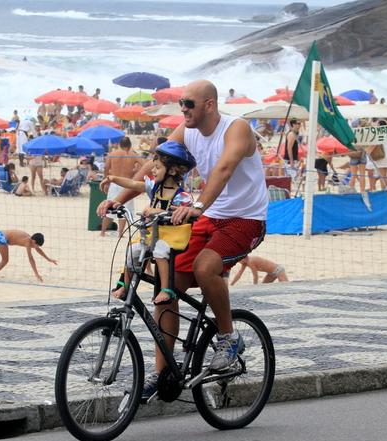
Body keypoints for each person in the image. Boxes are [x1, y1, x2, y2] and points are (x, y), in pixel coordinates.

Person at [98, 79, 268, 399]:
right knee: (167, 286)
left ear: (209, 105)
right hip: (208, 217)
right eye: (181, 104)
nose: (183, 109)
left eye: (189, 104)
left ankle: (229, 337)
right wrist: (119, 200)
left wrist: (199, 205)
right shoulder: (187, 131)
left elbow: (225, 168)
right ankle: (163, 375)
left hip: (245, 219)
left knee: (206, 268)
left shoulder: (237, 129)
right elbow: (155, 166)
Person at [108, 141, 196, 305]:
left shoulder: (182, 196)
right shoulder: (154, 188)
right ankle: (125, 286)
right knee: (132, 250)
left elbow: (181, 214)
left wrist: (157, 211)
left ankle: (165, 288)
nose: (152, 171)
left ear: (172, 170)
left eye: (157, 167)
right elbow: (134, 184)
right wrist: (113, 178)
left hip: (173, 236)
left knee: (159, 250)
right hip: (153, 233)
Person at [99, 136, 145, 237]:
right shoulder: (133, 155)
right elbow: (145, 165)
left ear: (120, 144)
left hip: (114, 183)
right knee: (124, 209)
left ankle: (102, 232)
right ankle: (120, 233)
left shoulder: (112, 154)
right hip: (126, 183)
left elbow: (106, 168)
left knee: (109, 208)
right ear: (130, 145)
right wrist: (136, 173)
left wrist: (106, 182)